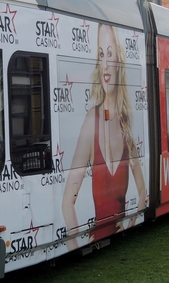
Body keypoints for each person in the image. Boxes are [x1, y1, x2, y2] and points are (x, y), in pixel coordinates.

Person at [62, 24, 147, 251]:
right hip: (96, 241)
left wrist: (131, 222)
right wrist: (76, 247)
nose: (106, 64)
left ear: (120, 60)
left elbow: (142, 191)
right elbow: (67, 202)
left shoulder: (126, 125)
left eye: (110, 54)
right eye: (101, 55)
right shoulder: (92, 120)